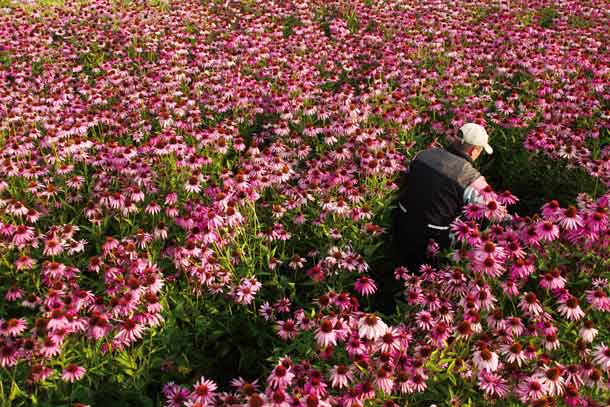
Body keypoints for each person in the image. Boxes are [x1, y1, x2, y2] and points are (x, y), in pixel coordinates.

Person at [375, 123, 493, 314]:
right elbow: (488, 212)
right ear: (475, 150)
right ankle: (408, 314)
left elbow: (405, 184)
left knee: (399, 271)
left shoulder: (423, 154)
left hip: (401, 223)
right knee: (424, 285)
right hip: (432, 239)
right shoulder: (471, 177)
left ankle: (385, 301)